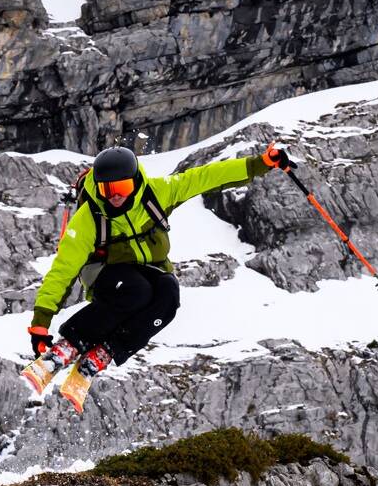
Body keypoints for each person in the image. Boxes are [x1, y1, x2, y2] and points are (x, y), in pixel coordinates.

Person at [24, 141, 289, 411]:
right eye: (107, 189)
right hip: (104, 272)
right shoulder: (89, 218)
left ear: (135, 181)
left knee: (168, 295)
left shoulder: (157, 194)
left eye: (122, 188)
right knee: (135, 290)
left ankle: (103, 353)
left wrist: (261, 164)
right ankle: (68, 346)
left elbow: (206, 176)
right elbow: (63, 269)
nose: (115, 196)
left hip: (148, 269)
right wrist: (40, 324)